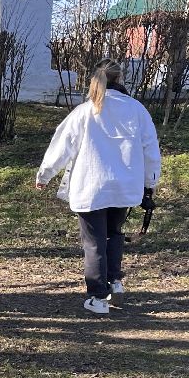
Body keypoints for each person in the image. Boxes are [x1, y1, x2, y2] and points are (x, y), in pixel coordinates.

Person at [36, 59, 161, 315]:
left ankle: (97, 297)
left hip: (91, 185)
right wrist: (151, 183)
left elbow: (62, 144)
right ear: (121, 80)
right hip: (125, 186)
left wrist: (45, 174)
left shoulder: (85, 111)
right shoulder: (137, 110)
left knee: (93, 242)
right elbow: (150, 150)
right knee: (114, 235)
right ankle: (115, 282)